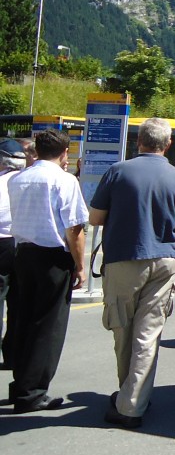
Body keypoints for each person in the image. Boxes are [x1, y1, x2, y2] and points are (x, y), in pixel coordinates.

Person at [88, 118, 175, 429]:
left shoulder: (118, 172)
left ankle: (129, 400)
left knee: (123, 329)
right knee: (148, 334)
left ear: (138, 141)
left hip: (124, 259)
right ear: (168, 144)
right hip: (164, 260)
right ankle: (132, 399)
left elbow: (95, 218)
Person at [6, 129, 88, 413]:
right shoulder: (64, 181)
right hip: (53, 257)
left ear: (37, 150)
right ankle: (32, 392)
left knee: (23, 320)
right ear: (64, 153)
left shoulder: (19, 178)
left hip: (24, 253)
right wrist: (80, 265)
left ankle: (20, 384)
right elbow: (75, 228)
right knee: (48, 327)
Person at [0, 138, 29, 371]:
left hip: (2, 242)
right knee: (18, 303)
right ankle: (13, 355)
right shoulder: (26, 181)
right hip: (20, 244)